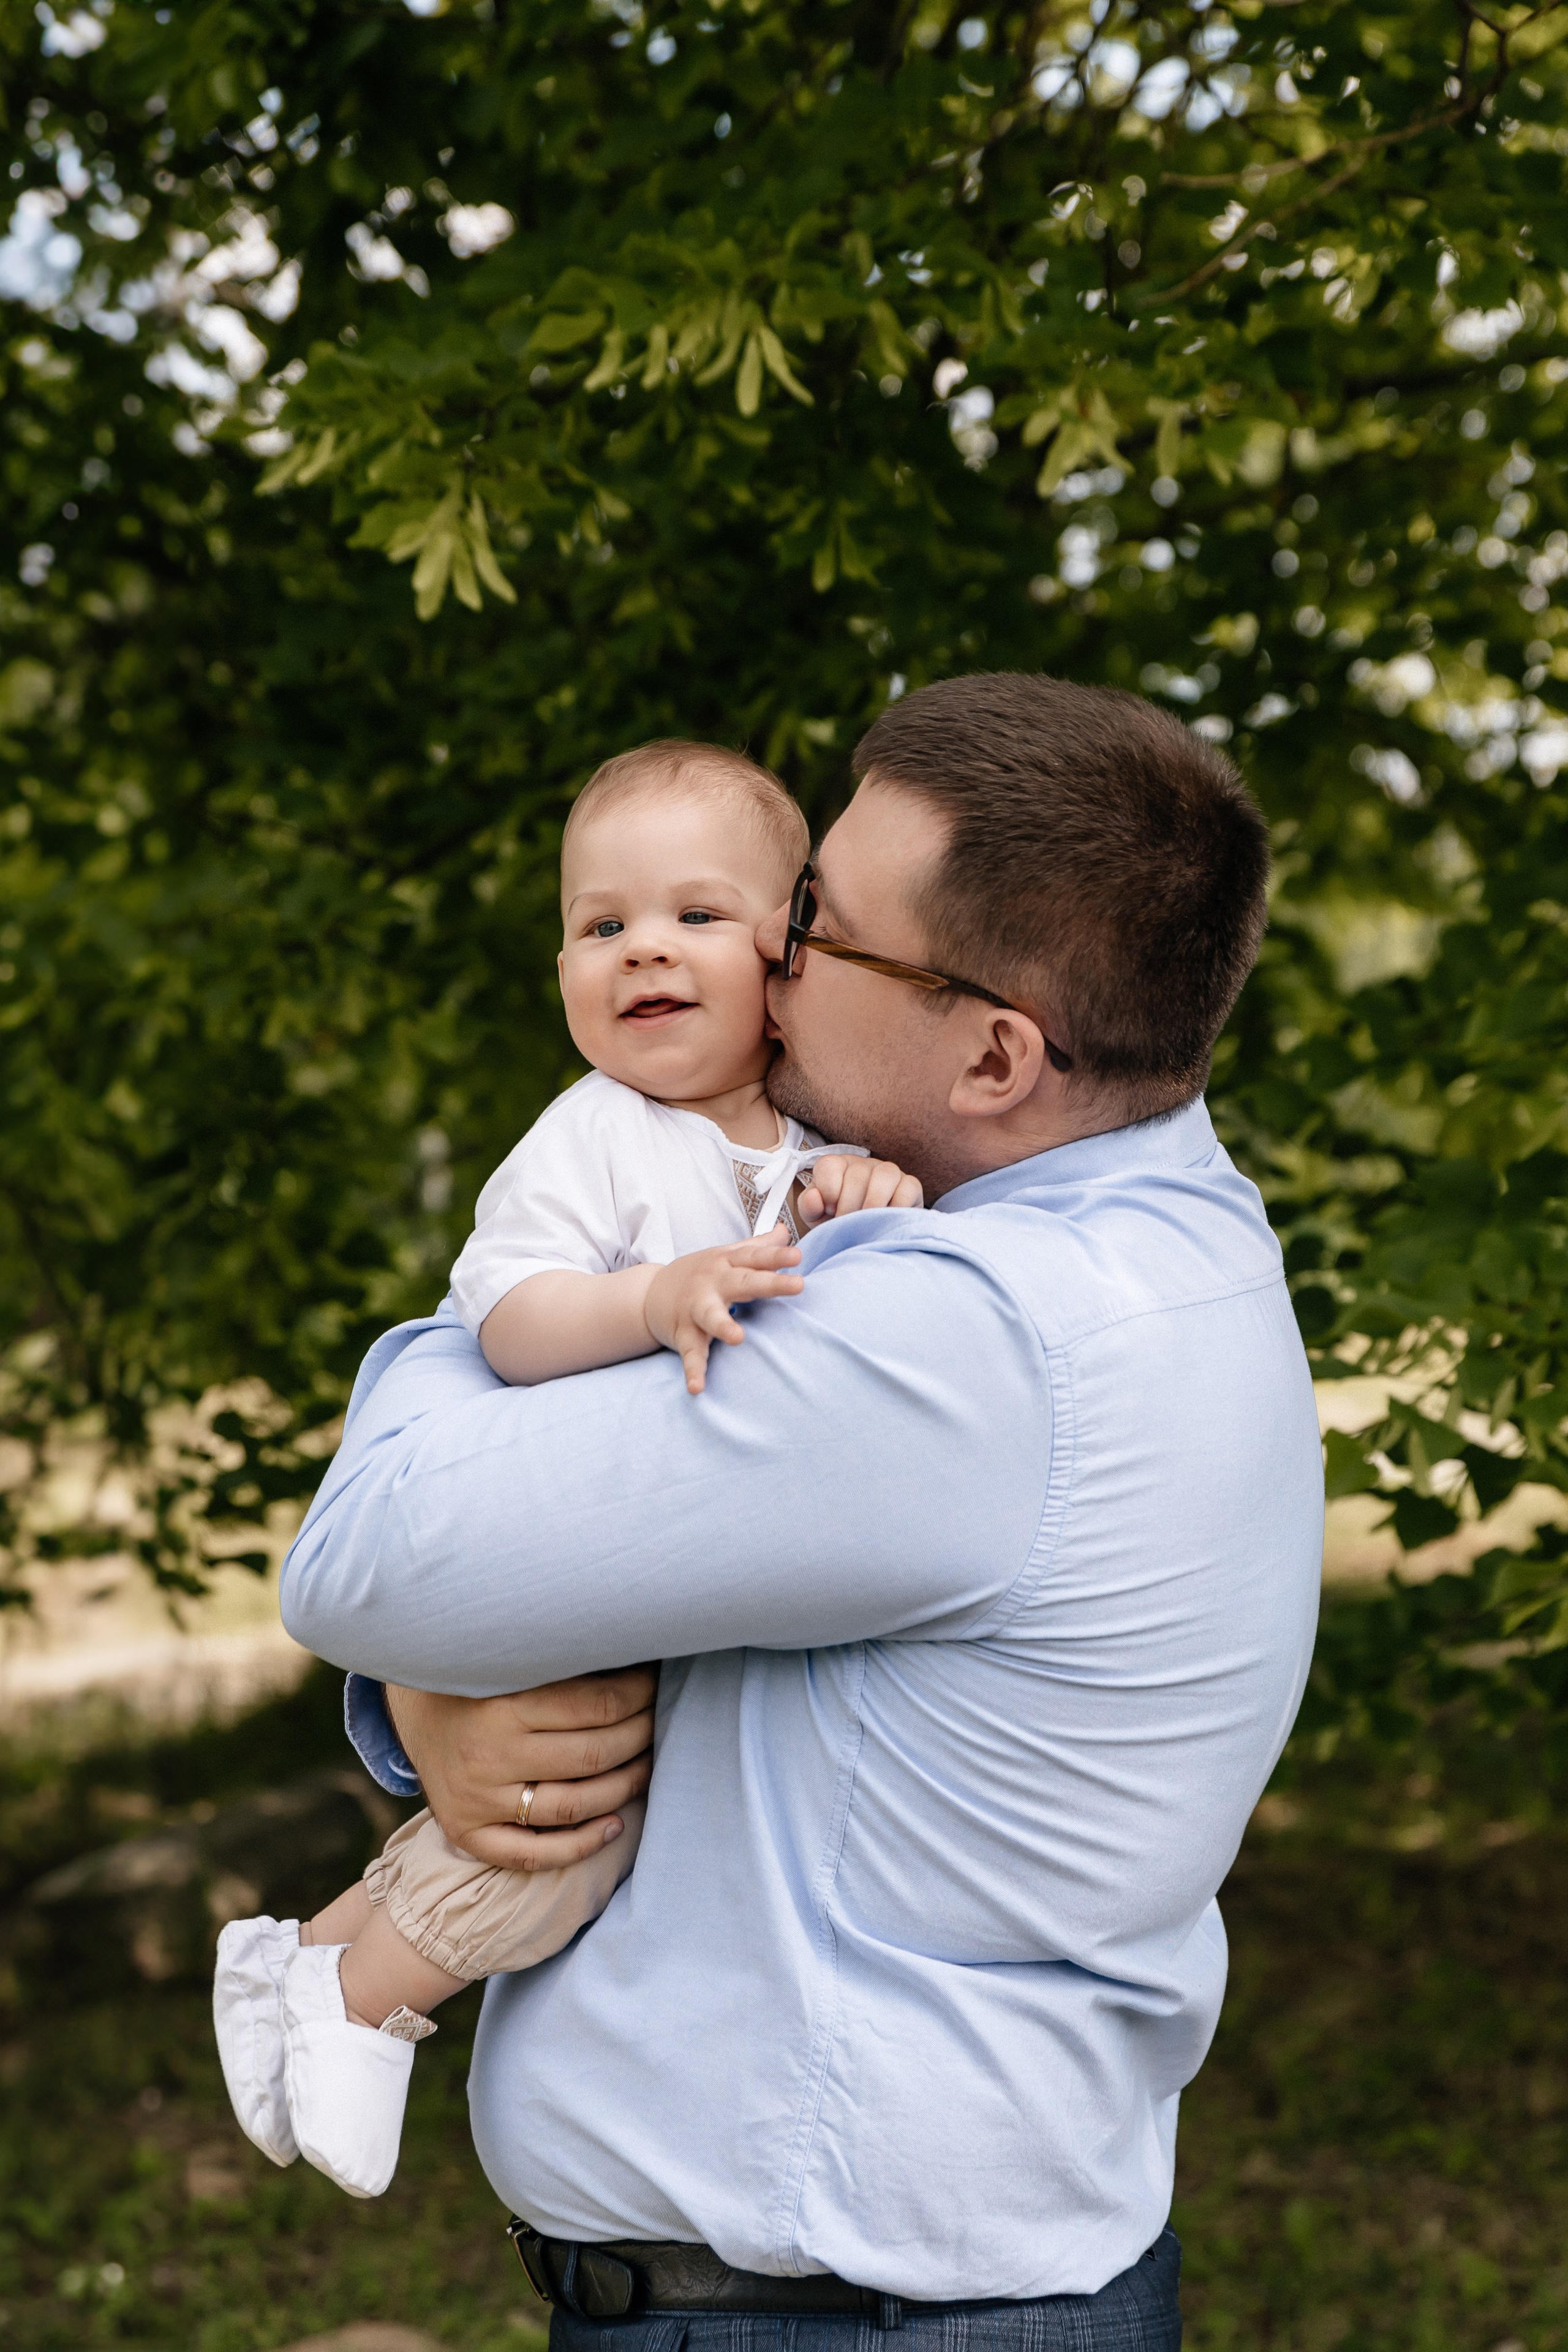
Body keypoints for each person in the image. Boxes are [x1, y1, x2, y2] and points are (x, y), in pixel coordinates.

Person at [281, 673, 1324, 2351]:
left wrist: (460, 1339)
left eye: (818, 926)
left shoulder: (950, 1340)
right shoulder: (1180, 1232)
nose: (769, 959)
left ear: (994, 1052)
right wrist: (433, 1706)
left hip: (819, 2321)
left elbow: (361, 1555)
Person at [214, 741, 918, 2197]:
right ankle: (366, 1999)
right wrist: (650, 1300)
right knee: (572, 1830)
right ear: (562, 973)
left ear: (786, 953)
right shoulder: (593, 1135)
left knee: (588, 1815)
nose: (642, 947)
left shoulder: (820, 1139)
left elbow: (853, 1261)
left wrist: (867, 1190)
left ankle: (314, 1954)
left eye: (693, 915)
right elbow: (509, 1319)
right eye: (602, 926)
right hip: (574, 1548)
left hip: (691, 1569)